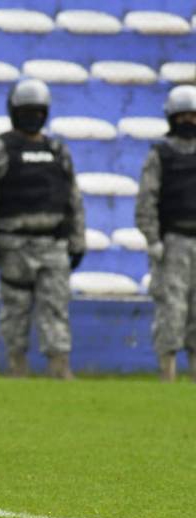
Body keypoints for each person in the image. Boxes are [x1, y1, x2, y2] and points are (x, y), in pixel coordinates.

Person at [0, 79, 86, 379]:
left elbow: (73, 198)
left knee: (57, 309)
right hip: (12, 245)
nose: (33, 116)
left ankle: (60, 371)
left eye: (38, 110)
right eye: (26, 110)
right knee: (15, 311)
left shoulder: (58, 150)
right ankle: (16, 370)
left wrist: (78, 241)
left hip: (54, 245)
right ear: (13, 111)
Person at [137, 85, 196, 382]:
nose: (189, 121)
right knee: (171, 310)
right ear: (172, 118)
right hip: (172, 243)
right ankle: (168, 373)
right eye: (183, 116)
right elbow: (147, 199)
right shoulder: (161, 153)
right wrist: (153, 239)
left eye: (193, 116)